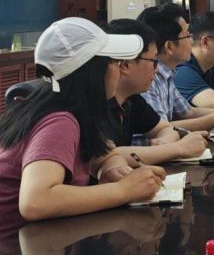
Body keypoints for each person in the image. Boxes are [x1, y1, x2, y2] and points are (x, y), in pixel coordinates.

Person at [0, 18, 165, 233]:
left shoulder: (76, 111)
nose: (119, 71)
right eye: (115, 63)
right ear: (93, 72)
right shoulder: (60, 121)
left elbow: (103, 152)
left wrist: (112, 167)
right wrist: (124, 190)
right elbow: (36, 202)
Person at [105, 18, 209, 165]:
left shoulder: (132, 99)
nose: (157, 68)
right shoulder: (96, 102)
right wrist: (179, 148)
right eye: (154, 61)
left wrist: (163, 142)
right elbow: (106, 155)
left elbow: (166, 128)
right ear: (125, 64)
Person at [138, 10, 214, 130]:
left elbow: (188, 112)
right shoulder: (160, 76)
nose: (192, 41)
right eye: (188, 36)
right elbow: (159, 128)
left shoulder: (168, 74)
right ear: (170, 46)